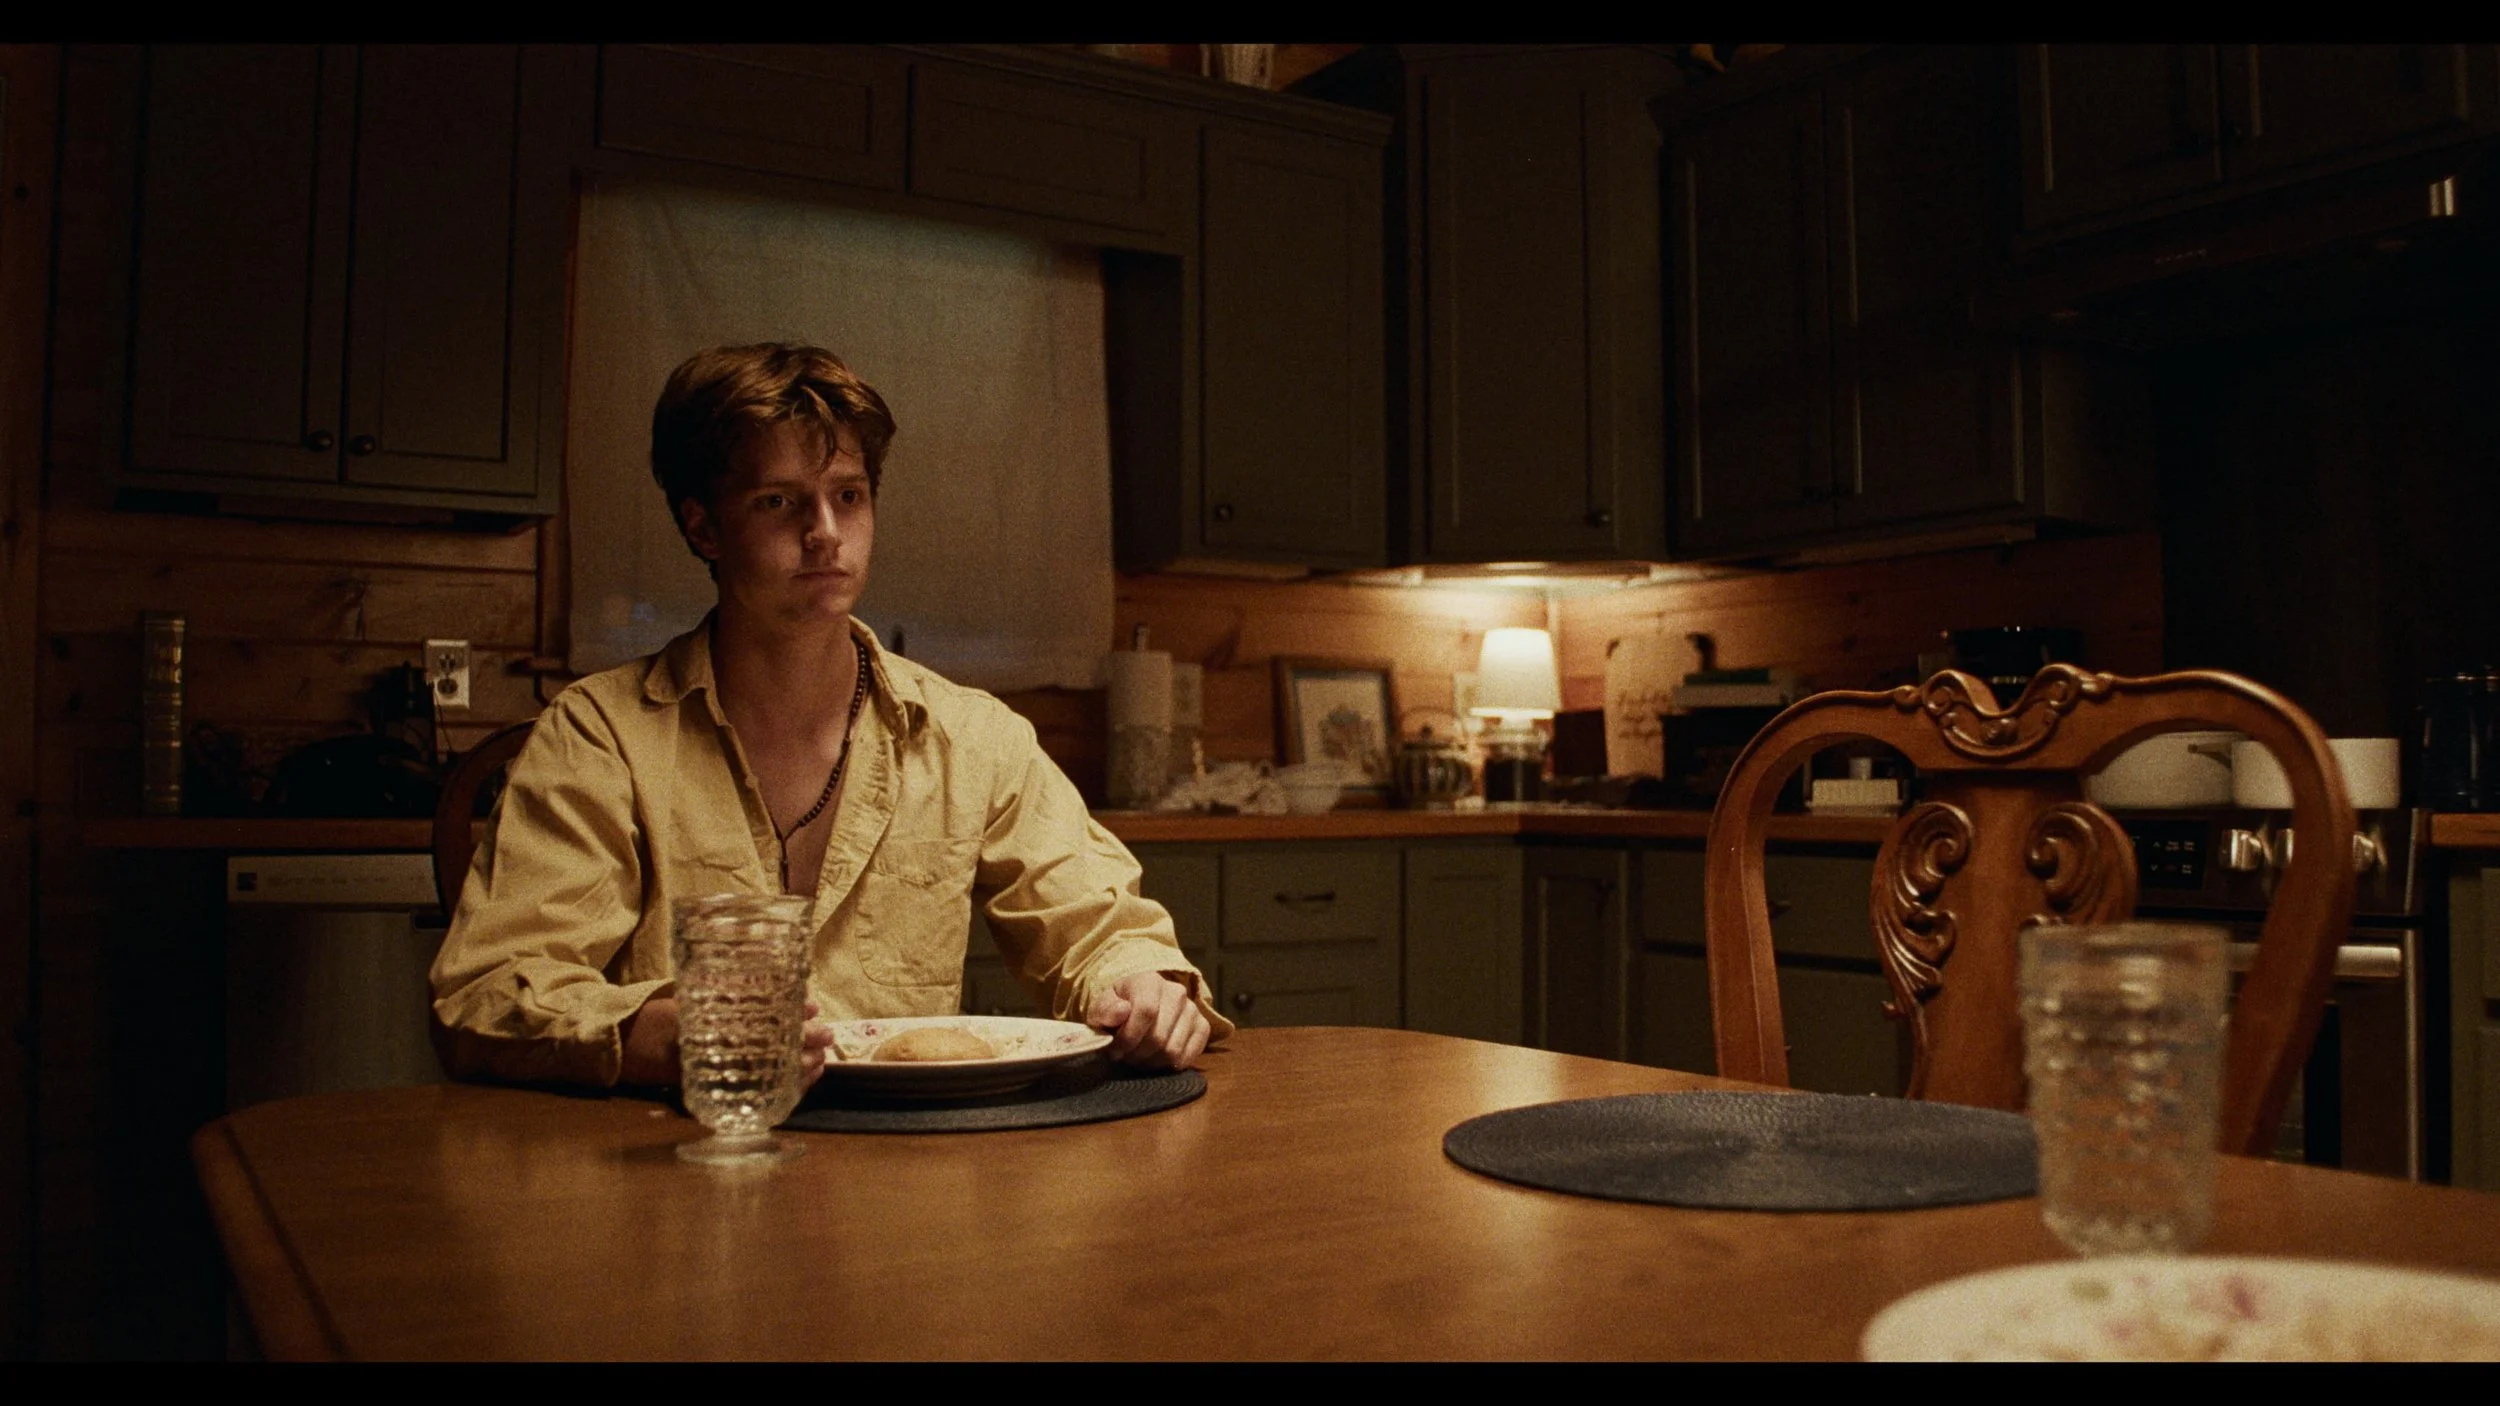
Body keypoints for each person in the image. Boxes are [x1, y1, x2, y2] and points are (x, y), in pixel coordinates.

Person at [430, 343, 1225, 1089]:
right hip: (687, 1153)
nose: (825, 534)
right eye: (779, 502)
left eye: (848, 495)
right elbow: (491, 989)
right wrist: (662, 1036)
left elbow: (1100, 923)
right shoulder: (602, 735)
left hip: (904, 1165)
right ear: (702, 526)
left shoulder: (972, 739)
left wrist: (1141, 985)